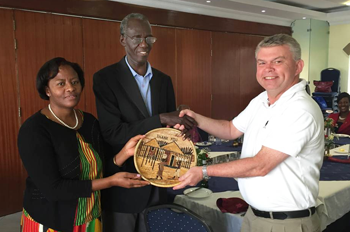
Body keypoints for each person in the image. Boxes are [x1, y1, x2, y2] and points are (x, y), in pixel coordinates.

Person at [174, 34, 324, 232]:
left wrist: (203, 171)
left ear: (298, 66)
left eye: (278, 61)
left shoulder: (300, 109)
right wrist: (195, 118)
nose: (268, 69)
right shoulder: (261, 100)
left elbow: (260, 166)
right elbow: (230, 129)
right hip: (256, 216)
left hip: (287, 223)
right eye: (262, 62)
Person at [18, 57, 149, 232]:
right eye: (60, 84)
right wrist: (111, 182)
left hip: (90, 218)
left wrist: (124, 153)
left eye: (74, 82)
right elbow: (54, 190)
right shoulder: (34, 130)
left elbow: (100, 169)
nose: (70, 88)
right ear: (46, 90)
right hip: (51, 220)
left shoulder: (89, 122)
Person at [93, 13, 196, 232]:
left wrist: (181, 125)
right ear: (123, 40)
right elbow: (113, 133)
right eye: (136, 37)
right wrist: (159, 118)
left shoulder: (164, 80)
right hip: (125, 185)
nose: (143, 44)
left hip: (159, 182)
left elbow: (168, 133)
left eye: (148, 38)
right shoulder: (105, 79)